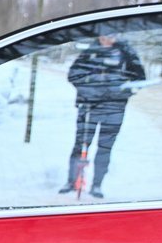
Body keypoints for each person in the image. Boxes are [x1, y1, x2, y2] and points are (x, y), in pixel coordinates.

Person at [60, 29, 146, 199]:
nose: (107, 40)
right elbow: (73, 75)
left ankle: (97, 185)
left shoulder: (127, 53)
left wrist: (122, 91)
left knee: (105, 148)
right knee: (80, 145)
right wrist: (89, 91)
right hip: (88, 107)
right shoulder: (89, 52)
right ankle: (72, 181)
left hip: (114, 109)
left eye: (111, 36)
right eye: (104, 36)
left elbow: (139, 79)